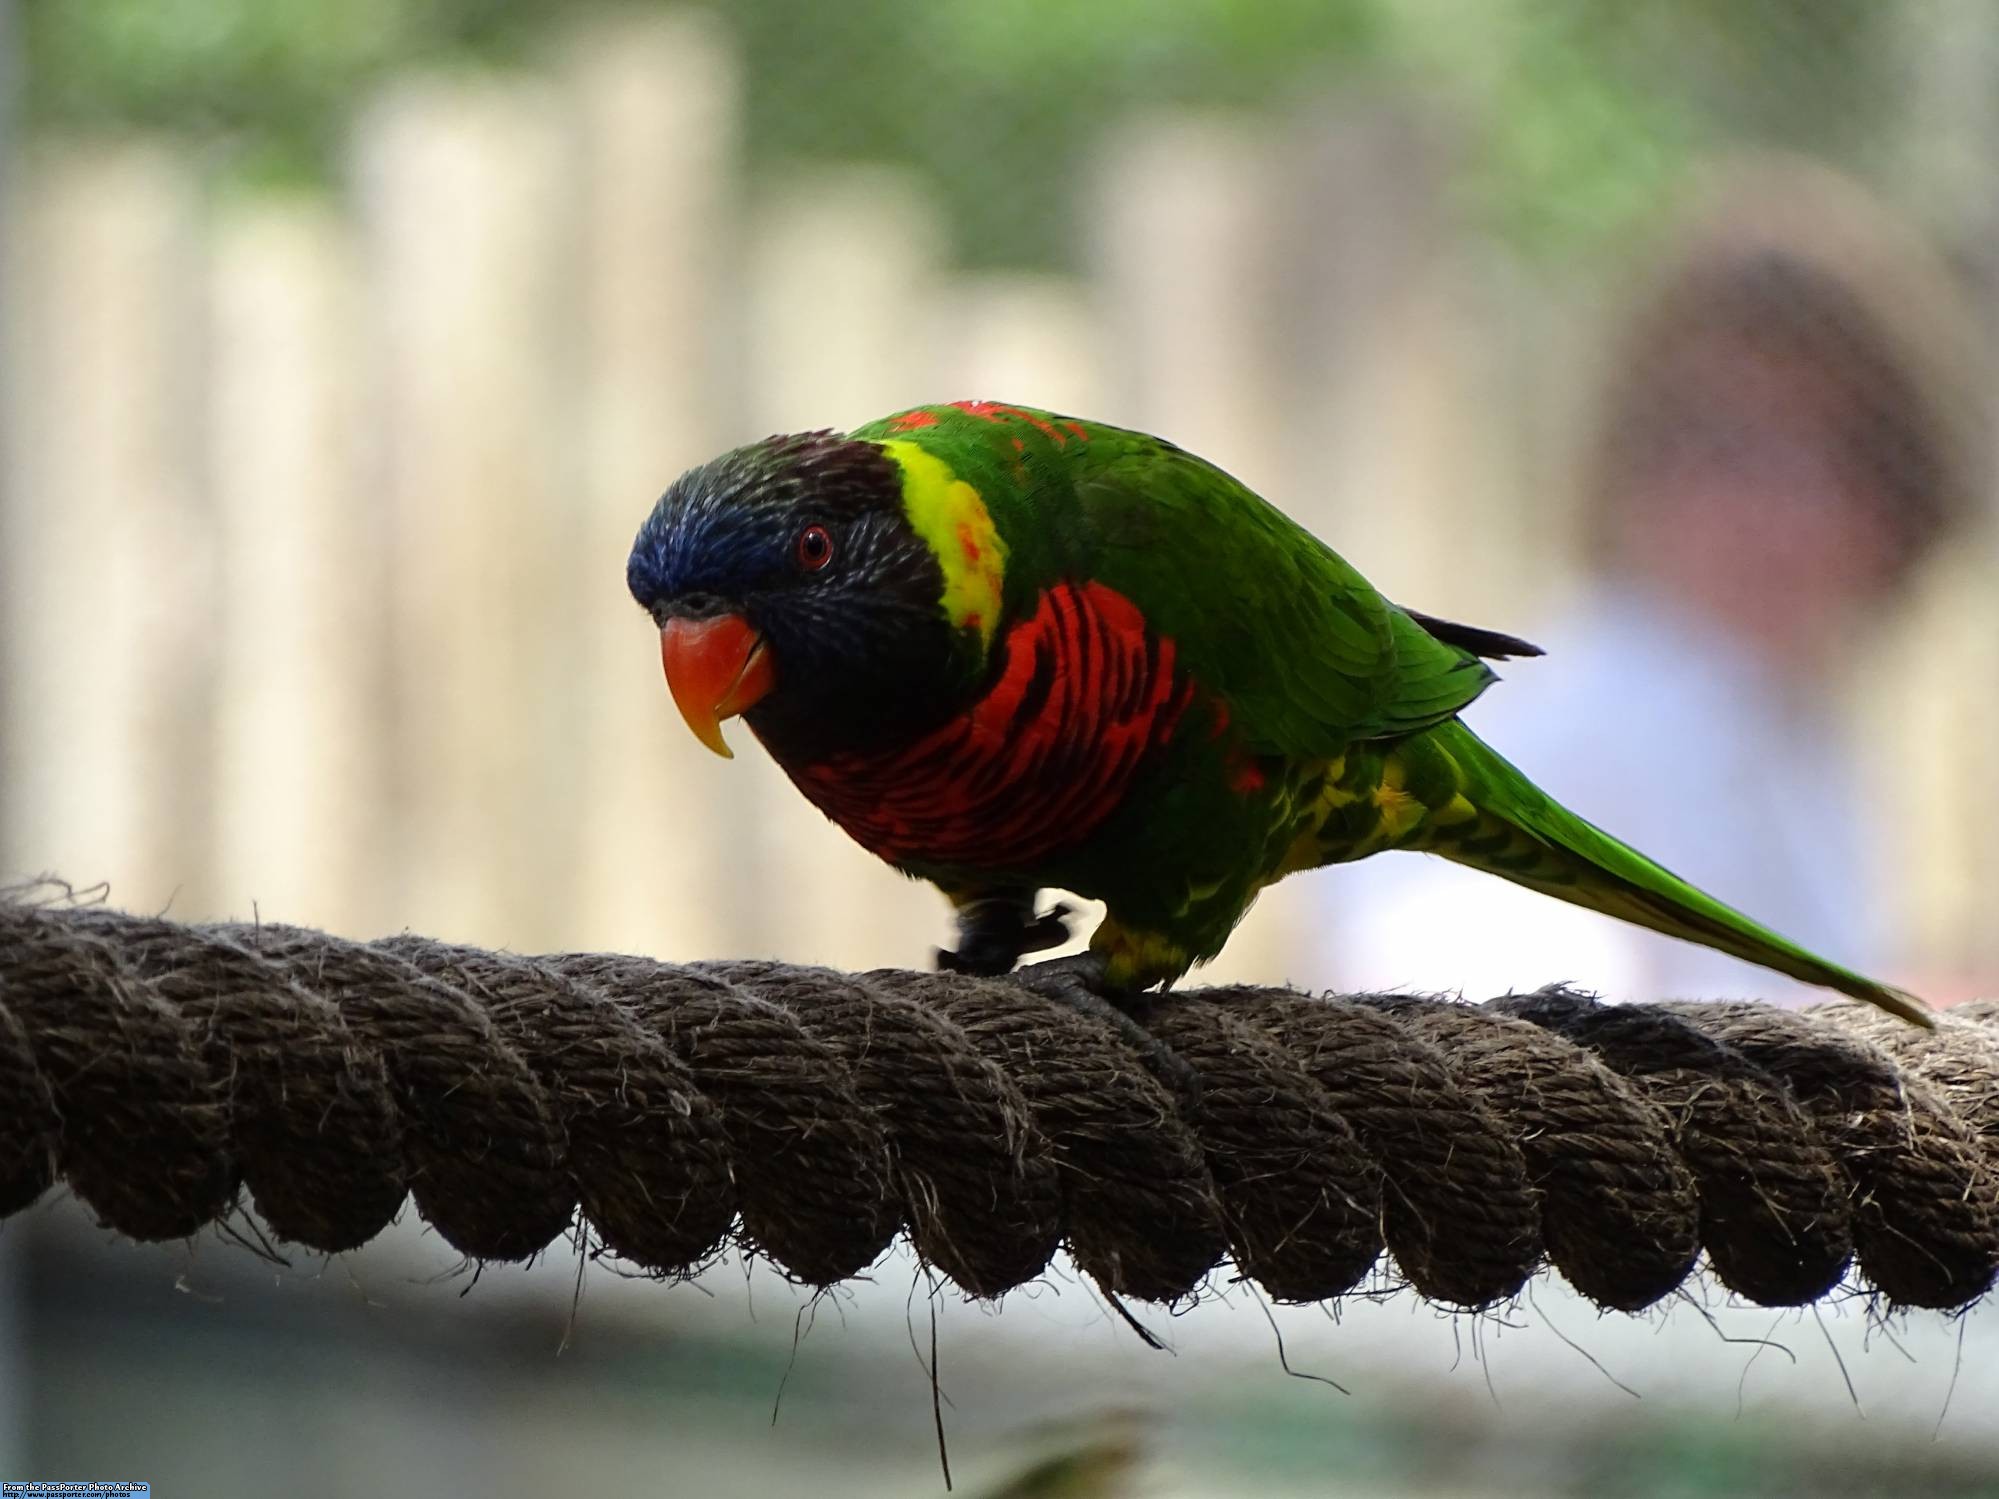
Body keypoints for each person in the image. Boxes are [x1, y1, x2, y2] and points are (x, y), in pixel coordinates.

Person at [1311, 156, 1980, 1005]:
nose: (1772, 512)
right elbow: (1429, 947)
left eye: (1837, 452)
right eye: (1720, 444)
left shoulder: (1797, 721)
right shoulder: (1604, 699)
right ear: (1627, 462)